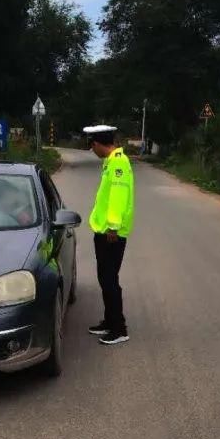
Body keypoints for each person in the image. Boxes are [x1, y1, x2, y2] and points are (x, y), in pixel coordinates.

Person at [84, 124, 135, 345]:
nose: (92, 151)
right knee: (105, 279)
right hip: (105, 231)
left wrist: (113, 226)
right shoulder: (112, 162)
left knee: (109, 280)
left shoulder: (118, 164)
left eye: (91, 146)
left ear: (96, 144)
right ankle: (109, 320)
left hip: (111, 233)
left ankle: (119, 328)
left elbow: (118, 197)